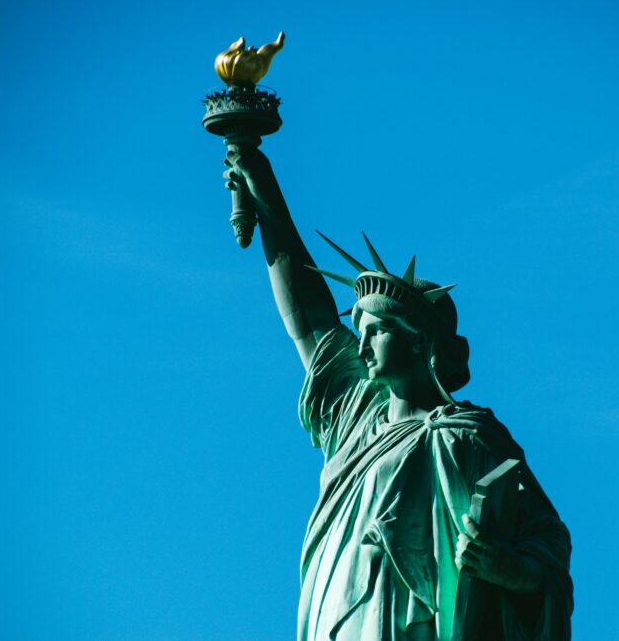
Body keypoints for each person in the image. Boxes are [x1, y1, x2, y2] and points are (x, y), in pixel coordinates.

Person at [224, 145, 573, 640]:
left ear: (418, 340)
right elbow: (310, 321)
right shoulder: (357, 415)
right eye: (359, 329)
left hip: (415, 620)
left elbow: (548, 541)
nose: (361, 344)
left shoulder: (468, 438)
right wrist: (267, 198)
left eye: (377, 330)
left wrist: (507, 567)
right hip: (340, 616)